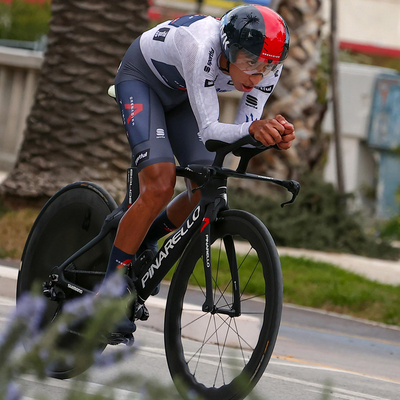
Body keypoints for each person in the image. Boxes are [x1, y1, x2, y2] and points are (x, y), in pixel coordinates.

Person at [106, 4, 296, 334]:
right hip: (143, 81)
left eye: (267, 66)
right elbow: (210, 130)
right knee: (161, 184)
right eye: (250, 62)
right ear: (229, 48)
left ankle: (148, 235)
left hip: (184, 98)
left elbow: (244, 130)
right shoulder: (202, 46)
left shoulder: (267, 68)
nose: (257, 74)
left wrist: (270, 136)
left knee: (205, 188)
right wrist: (253, 131)